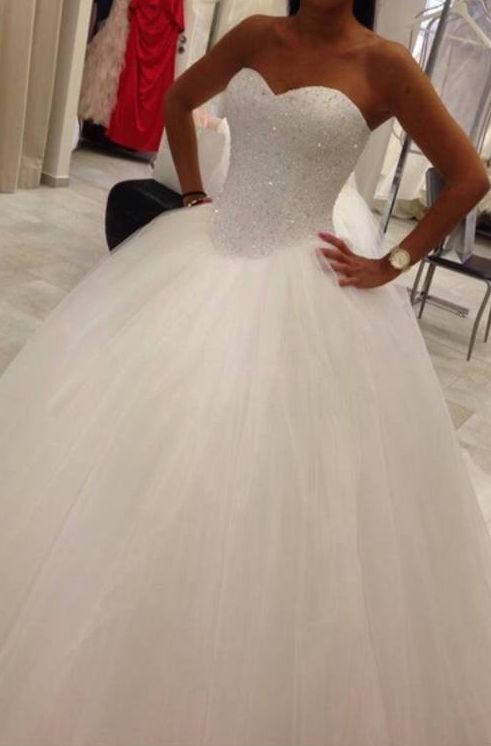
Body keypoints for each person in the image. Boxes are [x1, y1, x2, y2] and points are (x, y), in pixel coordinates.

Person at [1, 1, 491, 744]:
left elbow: (467, 176)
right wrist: (195, 193)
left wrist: (391, 262)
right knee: (147, 444)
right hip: (207, 254)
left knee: (290, 480)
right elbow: (177, 100)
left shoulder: (384, 63)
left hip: (306, 284)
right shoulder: (259, 33)